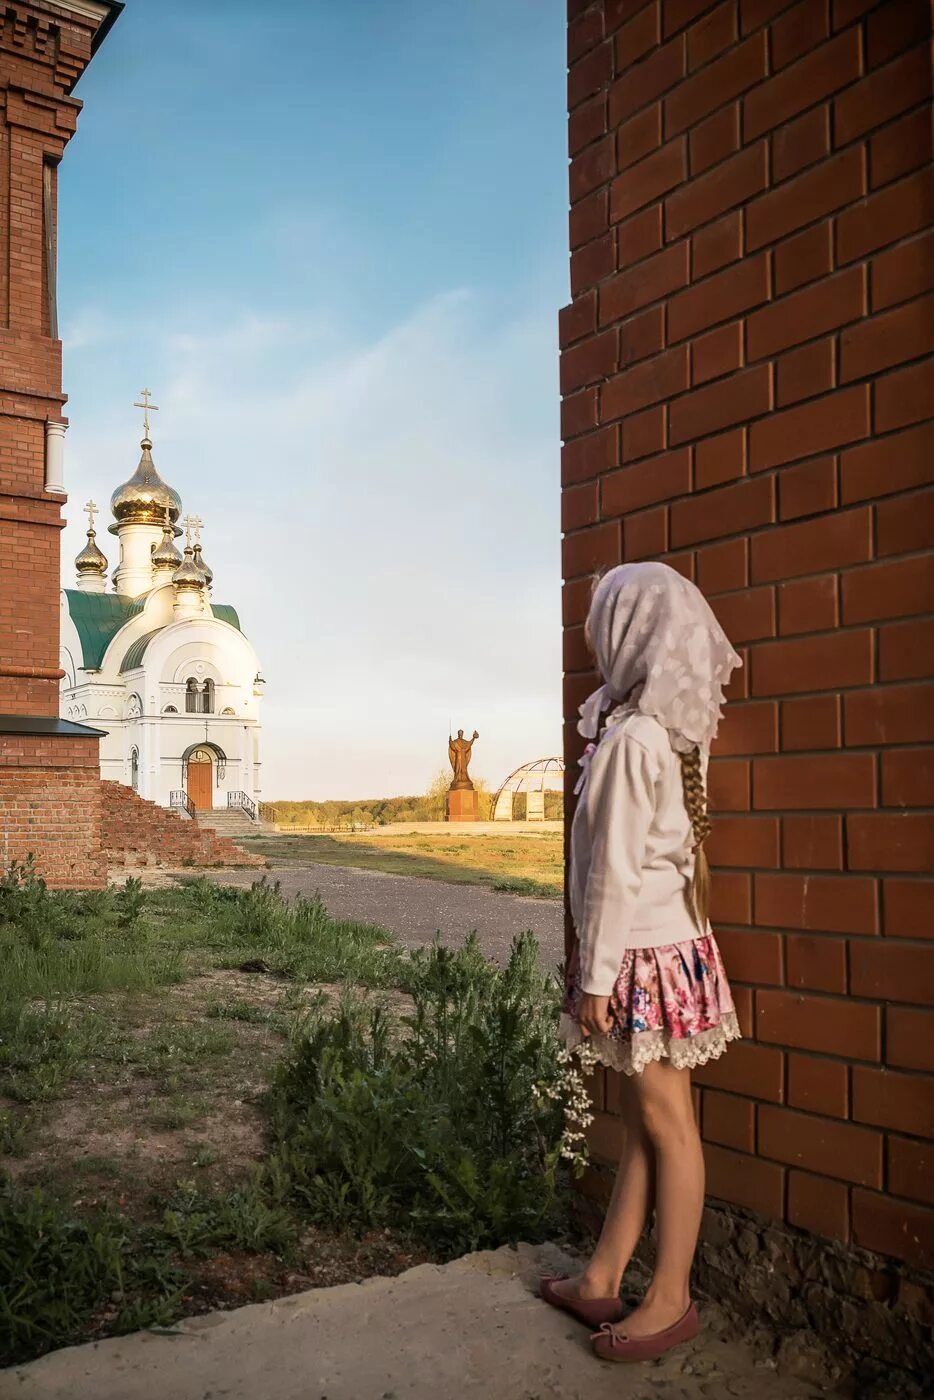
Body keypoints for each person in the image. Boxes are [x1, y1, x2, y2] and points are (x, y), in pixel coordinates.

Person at [541, 561, 742, 1364]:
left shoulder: (631, 742)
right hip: (667, 951)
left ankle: (671, 1298)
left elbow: (617, 870)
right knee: (642, 1125)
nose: (596, 647)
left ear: (632, 638)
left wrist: (594, 979)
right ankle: (602, 1275)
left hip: (640, 959)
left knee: (669, 1127)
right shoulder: (669, 735)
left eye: (605, 630)